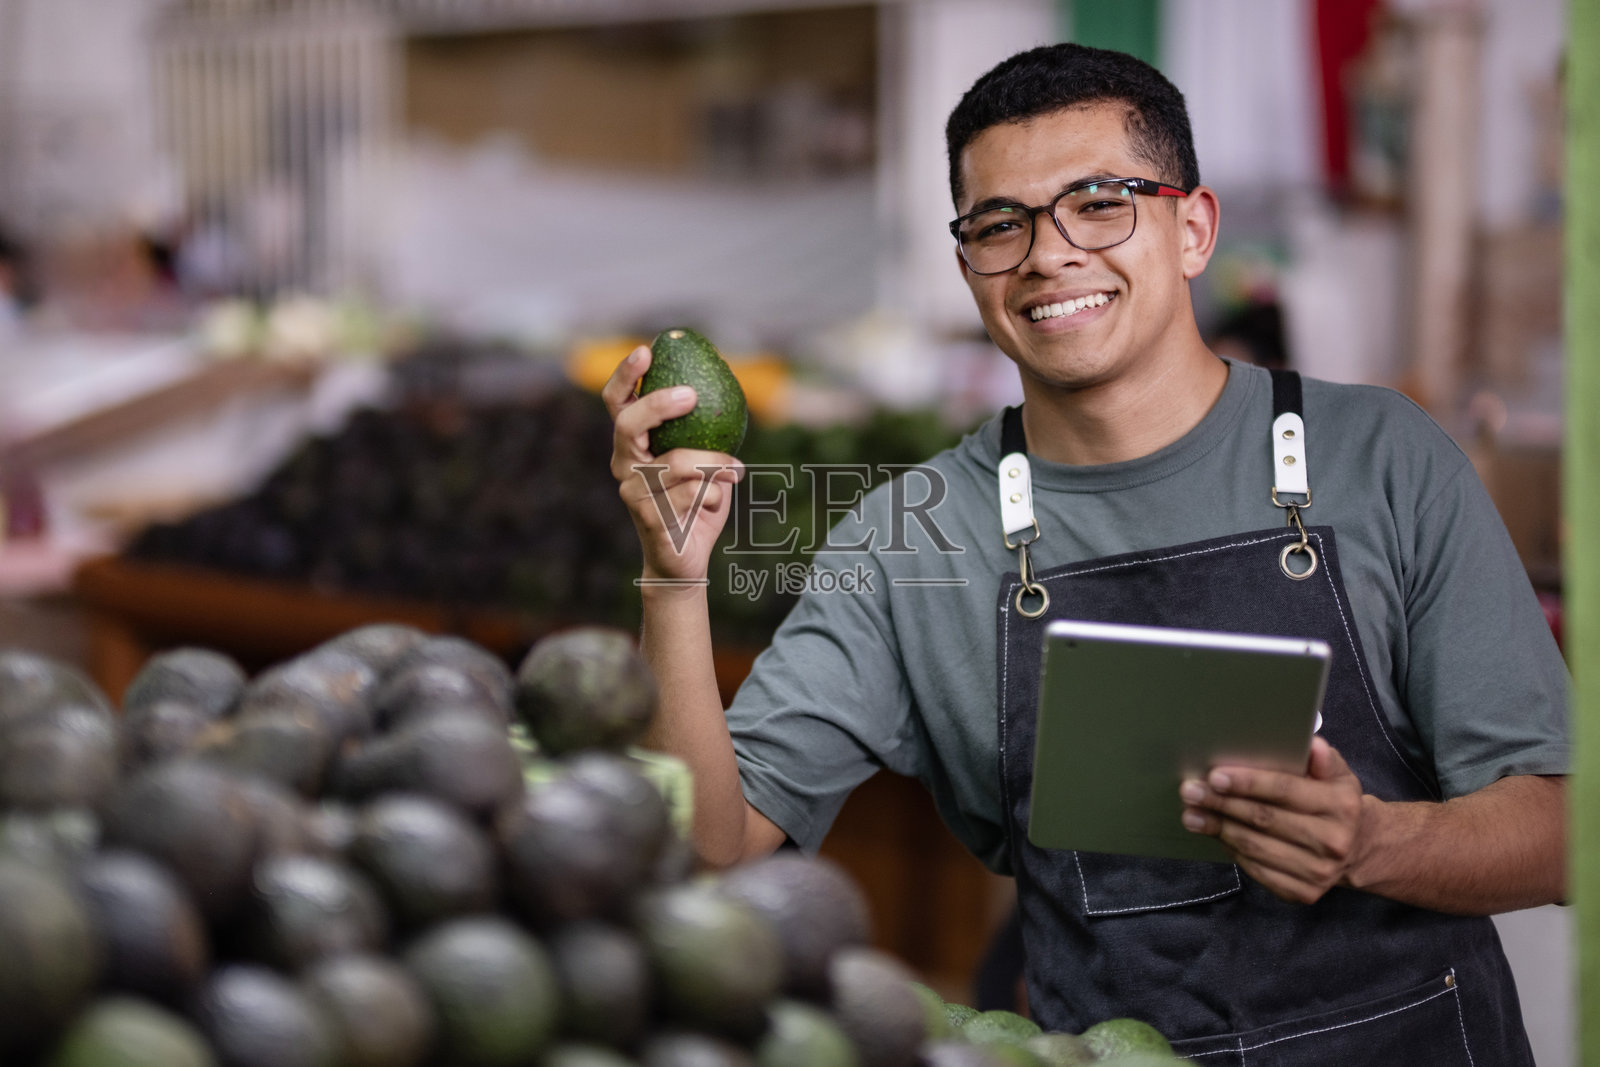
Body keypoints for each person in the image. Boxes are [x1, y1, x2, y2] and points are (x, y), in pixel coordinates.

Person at [603, 42, 1567, 1063]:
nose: (1047, 254)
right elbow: (711, 852)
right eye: (999, 224)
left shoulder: (1383, 457)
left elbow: (1560, 832)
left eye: (1099, 204)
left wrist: (1372, 840)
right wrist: (673, 576)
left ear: (1192, 229)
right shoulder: (910, 536)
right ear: (968, 264)